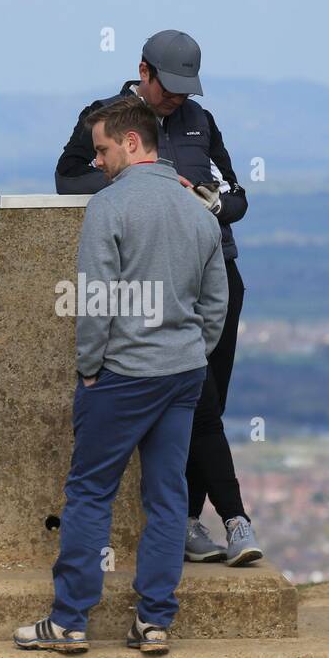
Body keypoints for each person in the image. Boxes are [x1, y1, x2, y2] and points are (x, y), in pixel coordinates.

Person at [15, 98, 228, 655]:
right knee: (166, 498)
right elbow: (216, 303)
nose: (99, 161)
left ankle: (68, 621)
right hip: (182, 373)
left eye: (104, 149)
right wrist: (192, 352)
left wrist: (90, 369)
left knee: (89, 494)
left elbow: (97, 301)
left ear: (132, 143)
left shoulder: (109, 208)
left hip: (122, 375)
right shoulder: (197, 210)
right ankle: (154, 622)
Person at [54, 30, 261, 567]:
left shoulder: (200, 121)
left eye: (186, 88)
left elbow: (238, 196)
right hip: (147, 281)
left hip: (214, 274)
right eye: (170, 86)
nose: (177, 98)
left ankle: (193, 519)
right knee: (200, 400)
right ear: (143, 71)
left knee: (207, 398)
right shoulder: (106, 117)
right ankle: (226, 520)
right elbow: (67, 180)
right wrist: (139, 193)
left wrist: (211, 203)